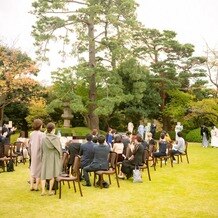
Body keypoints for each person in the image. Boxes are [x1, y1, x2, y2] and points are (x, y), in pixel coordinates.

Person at [41, 122, 62, 196]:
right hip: (53, 157)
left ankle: (43, 191)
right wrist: (60, 156)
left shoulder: (43, 138)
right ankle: (50, 191)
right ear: (53, 129)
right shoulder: (56, 138)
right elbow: (59, 149)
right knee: (52, 175)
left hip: (45, 156)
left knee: (43, 174)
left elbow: (41, 149)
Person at [29, 119, 44, 191]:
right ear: (40, 126)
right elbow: (42, 145)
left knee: (33, 169)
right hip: (39, 154)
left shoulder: (31, 134)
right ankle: (36, 187)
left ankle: (31, 185)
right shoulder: (41, 134)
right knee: (38, 171)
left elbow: (29, 145)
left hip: (33, 153)